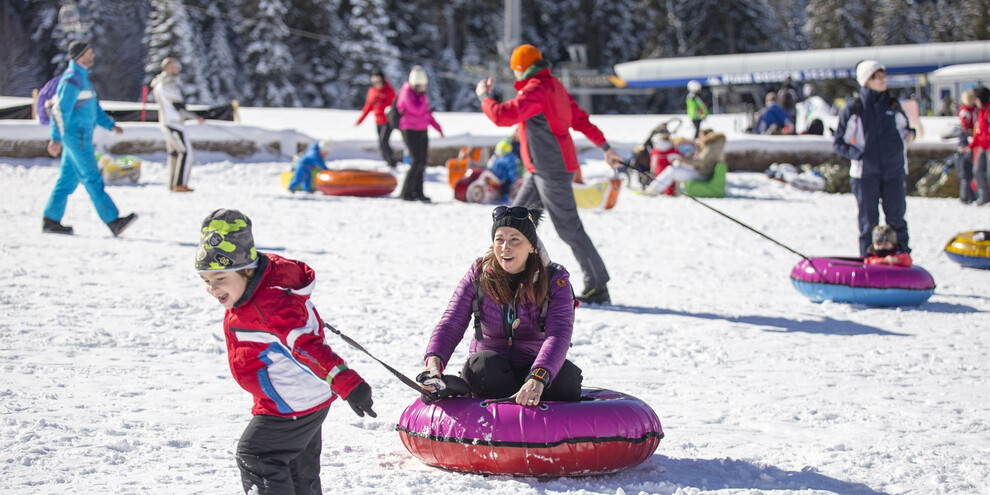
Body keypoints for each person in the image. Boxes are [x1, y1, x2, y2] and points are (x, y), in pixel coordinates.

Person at [194, 208, 376, 494]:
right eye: (206, 280)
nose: (212, 289)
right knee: (299, 471)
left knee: (257, 456)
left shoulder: (270, 305)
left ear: (246, 270)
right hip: (303, 397)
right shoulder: (256, 292)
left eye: (220, 279)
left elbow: (309, 348)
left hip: (292, 403)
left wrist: (349, 384)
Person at [474, 44, 625, 305]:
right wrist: (606, 147)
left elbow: (503, 116)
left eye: (515, 70)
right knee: (514, 221)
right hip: (540, 169)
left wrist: (484, 97)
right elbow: (581, 119)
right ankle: (514, 277)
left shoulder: (536, 90)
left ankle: (598, 285)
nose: (515, 75)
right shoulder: (553, 86)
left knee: (569, 228)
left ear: (521, 68)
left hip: (552, 170)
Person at [419, 206, 582, 405]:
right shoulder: (479, 272)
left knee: (566, 379)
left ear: (532, 246)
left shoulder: (555, 279)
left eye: (515, 239)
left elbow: (559, 334)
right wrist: (434, 362)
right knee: (483, 365)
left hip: (534, 365)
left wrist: (538, 377)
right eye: (499, 239)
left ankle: (534, 401)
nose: (505, 247)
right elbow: (452, 321)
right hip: (491, 372)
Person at [43, 40, 136, 237]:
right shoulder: (71, 79)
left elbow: (93, 109)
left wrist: (111, 125)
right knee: (92, 177)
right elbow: (59, 111)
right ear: (80, 55)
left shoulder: (82, 78)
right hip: (76, 137)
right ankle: (113, 220)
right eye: (90, 52)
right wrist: (55, 138)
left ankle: (50, 220)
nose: (93, 55)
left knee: (67, 180)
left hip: (78, 136)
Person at [833, 60, 916, 258]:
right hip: (865, 173)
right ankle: (868, 260)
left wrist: (907, 140)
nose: (882, 80)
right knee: (868, 221)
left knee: (896, 219)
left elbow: (907, 130)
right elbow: (839, 142)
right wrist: (861, 156)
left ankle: (901, 257)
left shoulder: (892, 104)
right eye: (877, 76)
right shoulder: (855, 107)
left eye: (883, 75)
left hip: (893, 169)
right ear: (866, 80)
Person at [150, 57, 205, 192]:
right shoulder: (167, 84)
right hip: (174, 123)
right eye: (175, 66)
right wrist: (194, 116)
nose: (178, 69)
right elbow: (177, 105)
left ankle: (173, 183)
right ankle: (180, 183)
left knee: (174, 153)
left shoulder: (160, 83)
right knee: (185, 152)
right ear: (168, 68)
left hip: (167, 122)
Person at [396, 65, 444, 202]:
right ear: (415, 85)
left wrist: (438, 128)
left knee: (422, 162)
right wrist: (423, 99)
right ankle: (406, 191)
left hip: (422, 130)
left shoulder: (421, 96)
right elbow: (417, 110)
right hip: (410, 130)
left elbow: (427, 115)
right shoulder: (406, 94)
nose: (424, 88)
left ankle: (418, 192)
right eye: (421, 86)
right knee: (416, 160)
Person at [647, 129, 725, 195]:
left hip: (702, 173)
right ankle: (657, 189)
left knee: (672, 170)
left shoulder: (710, 147)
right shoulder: (713, 145)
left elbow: (700, 162)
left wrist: (684, 161)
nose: (699, 138)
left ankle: (653, 190)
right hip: (703, 171)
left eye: (701, 136)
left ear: (707, 136)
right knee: (675, 167)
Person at [355, 69, 398, 168]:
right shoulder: (372, 91)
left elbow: (396, 106)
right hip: (378, 121)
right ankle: (389, 162)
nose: (376, 84)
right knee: (381, 143)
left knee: (384, 141)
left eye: (378, 82)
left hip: (388, 121)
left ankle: (392, 163)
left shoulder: (390, 91)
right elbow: (368, 106)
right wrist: (360, 120)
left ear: (383, 80)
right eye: (374, 82)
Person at [968, 87, 990, 206]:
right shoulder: (981, 113)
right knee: (977, 171)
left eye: (976, 99)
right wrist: (972, 146)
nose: (975, 102)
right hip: (982, 147)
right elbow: (979, 132)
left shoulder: (988, 112)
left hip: (989, 147)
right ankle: (984, 196)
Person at [648, 127, 683, 196]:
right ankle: (670, 192)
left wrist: (653, 169)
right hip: (668, 168)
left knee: (659, 180)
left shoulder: (655, 151)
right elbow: (680, 158)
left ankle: (658, 191)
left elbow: (653, 163)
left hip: (658, 169)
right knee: (670, 183)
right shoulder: (671, 150)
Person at [956, 89, 977, 204]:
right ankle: (966, 196)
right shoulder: (965, 111)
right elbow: (964, 126)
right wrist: (970, 132)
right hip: (966, 140)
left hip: (971, 139)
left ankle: (970, 195)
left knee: (969, 172)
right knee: (966, 171)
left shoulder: (973, 110)